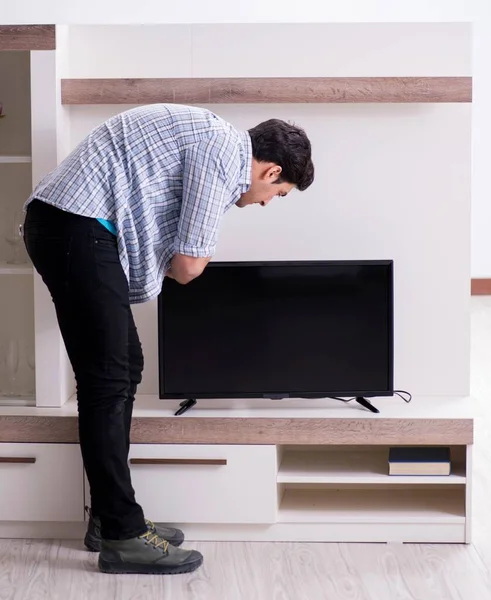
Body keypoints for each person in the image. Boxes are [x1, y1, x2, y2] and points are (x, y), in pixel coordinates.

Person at [22, 103, 314, 575]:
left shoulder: (214, 138)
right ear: (271, 168)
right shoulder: (224, 153)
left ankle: (109, 517)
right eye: (276, 192)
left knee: (124, 369)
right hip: (75, 227)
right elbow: (187, 267)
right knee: (109, 379)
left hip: (71, 226)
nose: (264, 202)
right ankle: (122, 531)